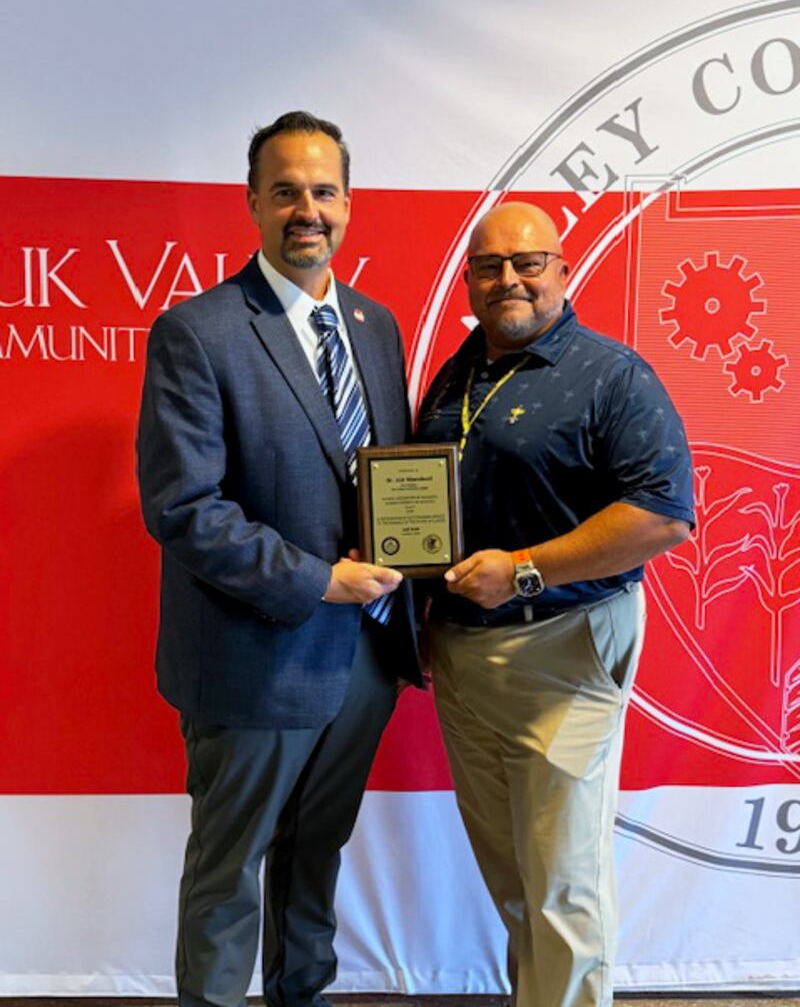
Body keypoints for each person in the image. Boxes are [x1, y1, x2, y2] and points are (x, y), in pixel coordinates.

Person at [137, 111, 422, 1007]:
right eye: (288, 191)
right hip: (255, 658)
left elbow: (388, 473)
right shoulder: (200, 331)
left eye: (325, 190)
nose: (309, 209)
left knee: (315, 861)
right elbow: (183, 508)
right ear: (253, 202)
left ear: (350, 204)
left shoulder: (375, 326)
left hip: (364, 657)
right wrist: (315, 580)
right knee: (229, 878)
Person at [416, 201, 694, 1007]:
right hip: (467, 656)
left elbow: (662, 513)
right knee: (513, 881)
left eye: (528, 262)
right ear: (469, 280)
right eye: (491, 266)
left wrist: (528, 569)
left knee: (562, 889)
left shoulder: (614, 375)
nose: (509, 279)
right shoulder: (460, 371)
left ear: (563, 272)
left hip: (563, 648)